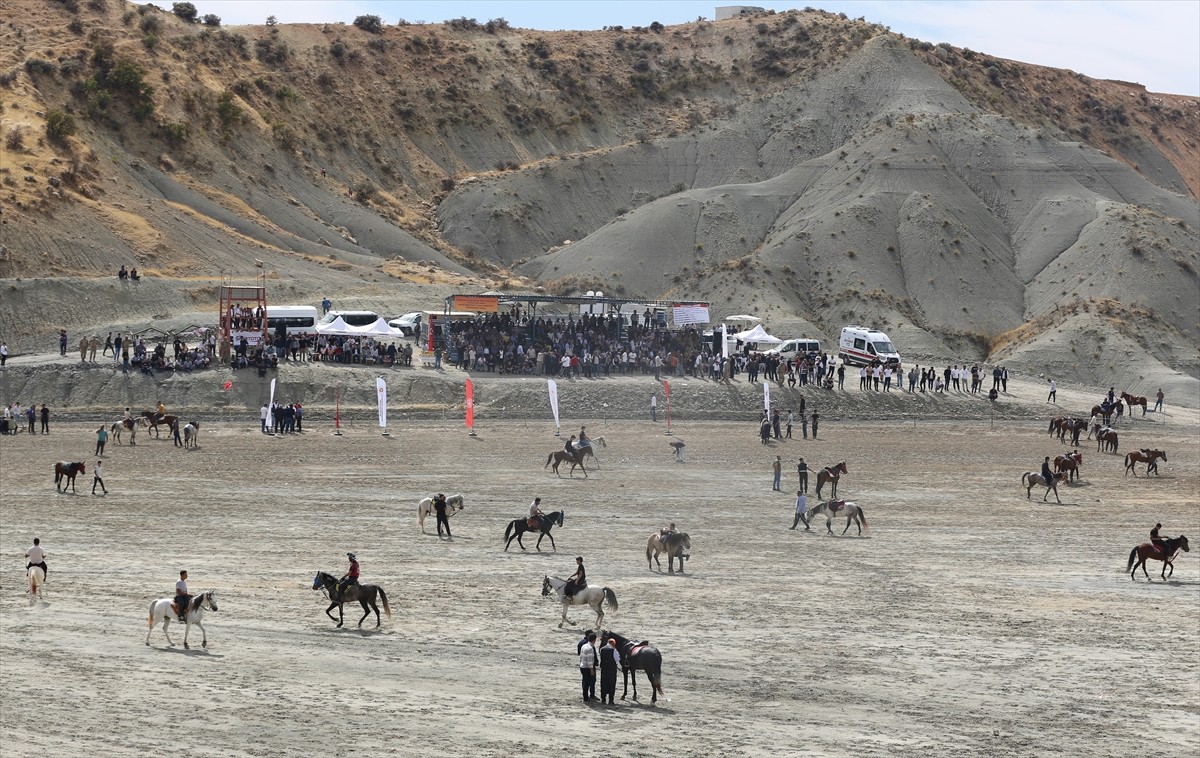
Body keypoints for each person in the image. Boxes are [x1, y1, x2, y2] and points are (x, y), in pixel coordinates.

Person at [599, 637, 621, 705]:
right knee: (612, 685)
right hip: (612, 670)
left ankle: (603, 699)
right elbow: (617, 660)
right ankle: (611, 700)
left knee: (603, 684)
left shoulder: (602, 649)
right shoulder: (614, 650)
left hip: (604, 669)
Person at [578, 630, 598, 703]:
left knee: (585, 682)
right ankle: (586, 698)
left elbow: (581, 656)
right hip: (587, 667)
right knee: (588, 683)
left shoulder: (584, 646)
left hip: (582, 666)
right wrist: (591, 670)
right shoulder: (590, 648)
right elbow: (590, 661)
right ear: (594, 640)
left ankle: (585, 697)